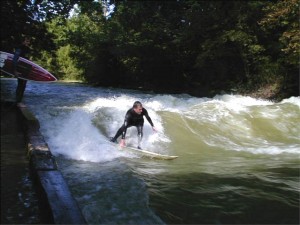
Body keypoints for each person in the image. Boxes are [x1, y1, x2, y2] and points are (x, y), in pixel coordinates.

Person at [13, 36, 31, 106]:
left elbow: (27, 60)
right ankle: (18, 102)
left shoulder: (28, 49)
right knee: (20, 84)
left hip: (25, 69)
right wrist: (15, 71)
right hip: (19, 69)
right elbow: (15, 59)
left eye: (29, 41)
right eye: (26, 41)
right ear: (23, 41)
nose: (28, 42)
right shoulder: (20, 48)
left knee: (23, 85)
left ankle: (19, 101)